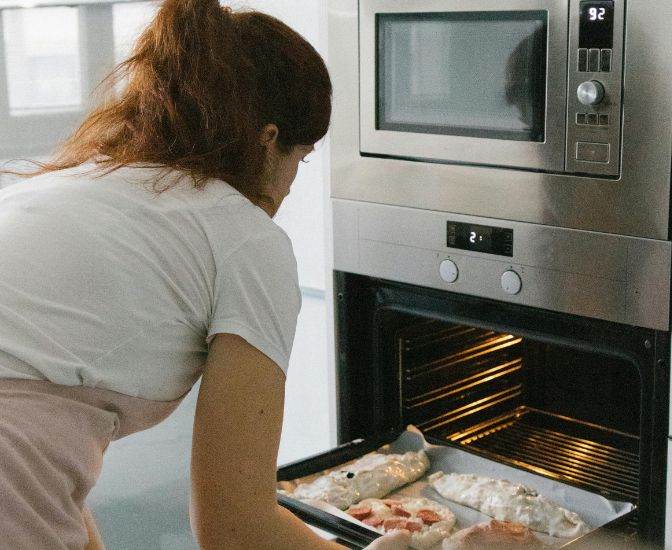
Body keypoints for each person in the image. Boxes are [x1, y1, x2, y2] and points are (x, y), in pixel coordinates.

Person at [0, 1, 410, 549]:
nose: (291, 184)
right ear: (267, 141)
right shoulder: (244, 238)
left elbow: (42, 449)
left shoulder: (73, 182)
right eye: (300, 158)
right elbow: (236, 529)